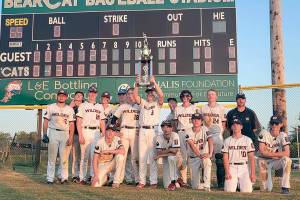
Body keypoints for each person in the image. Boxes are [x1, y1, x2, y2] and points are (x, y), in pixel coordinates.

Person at [134, 75, 164, 189]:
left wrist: (154, 82)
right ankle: (142, 181)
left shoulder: (157, 104)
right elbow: (135, 96)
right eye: (148, 93)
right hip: (142, 130)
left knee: (152, 157)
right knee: (142, 157)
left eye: (151, 93)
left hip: (153, 130)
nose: (149, 94)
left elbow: (161, 95)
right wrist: (136, 83)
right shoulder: (143, 103)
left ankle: (153, 181)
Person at [42, 89, 75, 184]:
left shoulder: (69, 109)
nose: (61, 97)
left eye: (63, 95)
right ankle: (50, 178)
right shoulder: (51, 107)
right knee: (51, 157)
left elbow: (72, 125)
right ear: (57, 96)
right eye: (60, 95)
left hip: (65, 133)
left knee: (64, 158)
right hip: (53, 132)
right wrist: (44, 134)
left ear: (66, 97)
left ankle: (64, 178)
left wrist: (71, 137)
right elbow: (46, 121)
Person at [77, 85, 106, 184]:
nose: (92, 94)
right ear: (88, 93)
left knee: (95, 156)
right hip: (85, 130)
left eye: (94, 93)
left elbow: (102, 121)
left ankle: (92, 176)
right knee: (84, 157)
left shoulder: (99, 106)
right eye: (91, 92)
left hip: (96, 132)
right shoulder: (83, 105)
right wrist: (80, 135)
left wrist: (104, 134)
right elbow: (79, 121)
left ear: (96, 94)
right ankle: (82, 178)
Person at [111, 88, 140, 185]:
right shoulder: (123, 106)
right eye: (128, 94)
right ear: (126, 95)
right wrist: (115, 132)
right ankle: (118, 180)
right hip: (124, 131)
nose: (130, 95)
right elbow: (113, 120)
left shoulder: (139, 106)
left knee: (134, 157)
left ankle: (137, 179)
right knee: (121, 155)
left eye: (132, 93)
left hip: (135, 131)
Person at [200, 89, 227, 188]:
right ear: (207, 96)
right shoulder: (203, 108)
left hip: (217, 134)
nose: (211, 96)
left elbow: (224, 122)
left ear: (216, 96)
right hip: (206, 135)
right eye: (209, 94)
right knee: (205, 158)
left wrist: (221, 132)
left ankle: (221, 183)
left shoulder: (221, 108)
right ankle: (205, 182)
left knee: (219, 160)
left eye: (213, 94)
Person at [258, 115, 291, 194]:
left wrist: (272, 155)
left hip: (275, 161)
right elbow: (262, 151)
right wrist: (275, 155)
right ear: (270, 124)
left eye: (276, 123)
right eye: (272, 123)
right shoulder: (264, 132)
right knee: (266, 190)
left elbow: (287, 153)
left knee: (287, 160)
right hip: (263, 161)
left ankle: (285, 187)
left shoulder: (283, 135)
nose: (274, 125)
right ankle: (263, 185)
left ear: (281, 124)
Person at [222, 118, 256, 193]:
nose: (235, 126)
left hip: (244, 167)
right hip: (231, 167)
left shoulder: (247, 140)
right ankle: (236, 184)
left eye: (238, 124)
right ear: (231, 127)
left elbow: (251, 158)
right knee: (229, 190)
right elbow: (225, 157)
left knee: (247, 191)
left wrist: (252, 174)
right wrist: (227, 172)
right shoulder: (227, 140)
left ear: (241, 126)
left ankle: (241, 183)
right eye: (233, 124)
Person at [174, 89, 199, 186]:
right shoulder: (177, 109)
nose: (185, 98)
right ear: (181, 98)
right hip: (181, 132)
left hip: (191, 132)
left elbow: (198, 121)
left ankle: (194, 180)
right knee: (183, 157)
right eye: (183, 96)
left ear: (190, 97)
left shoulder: (194, 108)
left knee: (192, 156)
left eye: (187, 96)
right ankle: (183, 181)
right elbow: (175, 123)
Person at [186, 113, 213, 191]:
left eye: (198, 119)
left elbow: (210, 140)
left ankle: (207, 185)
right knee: (195, 186)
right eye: (194, 119)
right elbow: (191, 145)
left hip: (203, 156)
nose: (196, 121)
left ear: (201, 121)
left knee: (207, 161)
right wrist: (199, 155)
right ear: (191, 121)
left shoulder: (205, 129)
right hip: (193, 158)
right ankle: (202, 184)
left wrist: (210, 154)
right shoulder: (188, 131)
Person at [154, 120, 181, 191]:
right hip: (166, 158)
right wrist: (169, 150)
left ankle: (175, 179)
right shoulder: (159, 137)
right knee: (166, 185)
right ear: (162, 128)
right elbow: (159, 152)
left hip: (177, 158)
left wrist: (162, 154)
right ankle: (176, 180)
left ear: (171, 128)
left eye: (168, 127)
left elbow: (175, 151)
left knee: (171, 158)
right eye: (163, 126)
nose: (166, 129)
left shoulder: (175, 135)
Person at [69, 91, 84, 183]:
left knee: (83, 157)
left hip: (83, 134)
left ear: (82, 98)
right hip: (74, 134)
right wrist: (70, 106)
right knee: (74, 156)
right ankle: (75, 175)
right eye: (77, 95)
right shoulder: (71, 108)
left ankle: (82, 175)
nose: (78, 96)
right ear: (74, 97)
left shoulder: (85, 106)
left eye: (80, 95)